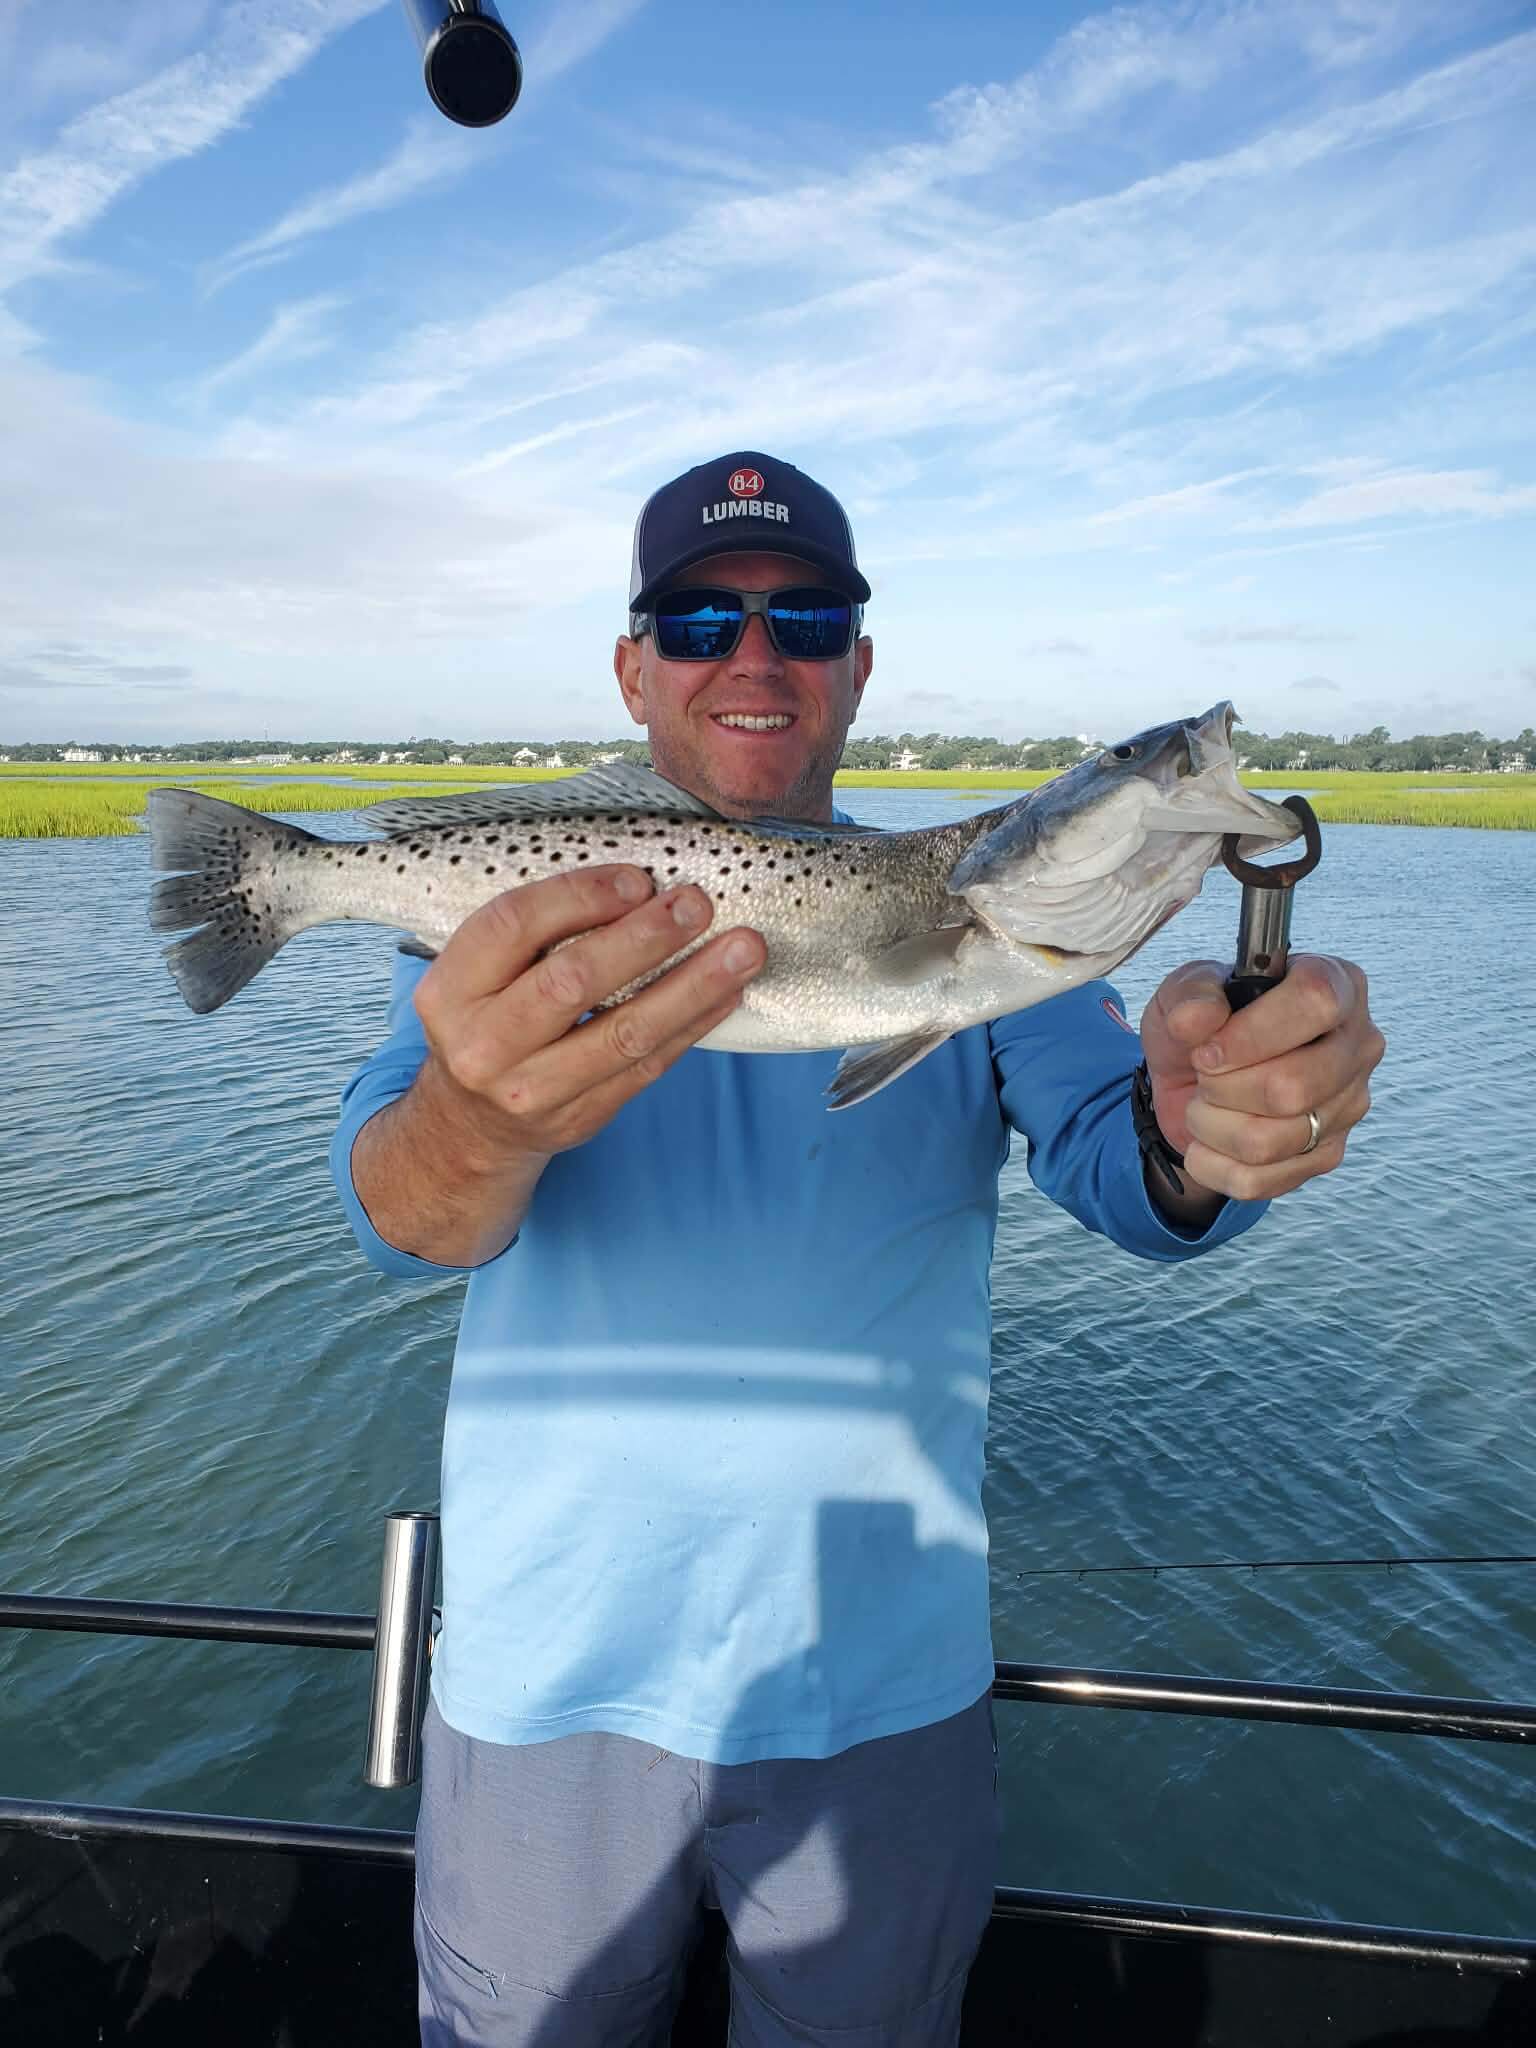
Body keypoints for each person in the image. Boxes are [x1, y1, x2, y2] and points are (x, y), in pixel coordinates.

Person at [330, 450, 1385, 2048]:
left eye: (803, 613)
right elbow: (400, 1215)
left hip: (882, 1697)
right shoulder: (525, 930)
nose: (753, 654)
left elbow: (1131, 1162)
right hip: (545, 1685)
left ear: (859, 664)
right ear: (633, 669)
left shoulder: (981, 944)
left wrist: (1210, 1125)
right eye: (697, 619)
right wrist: (479, 1118)